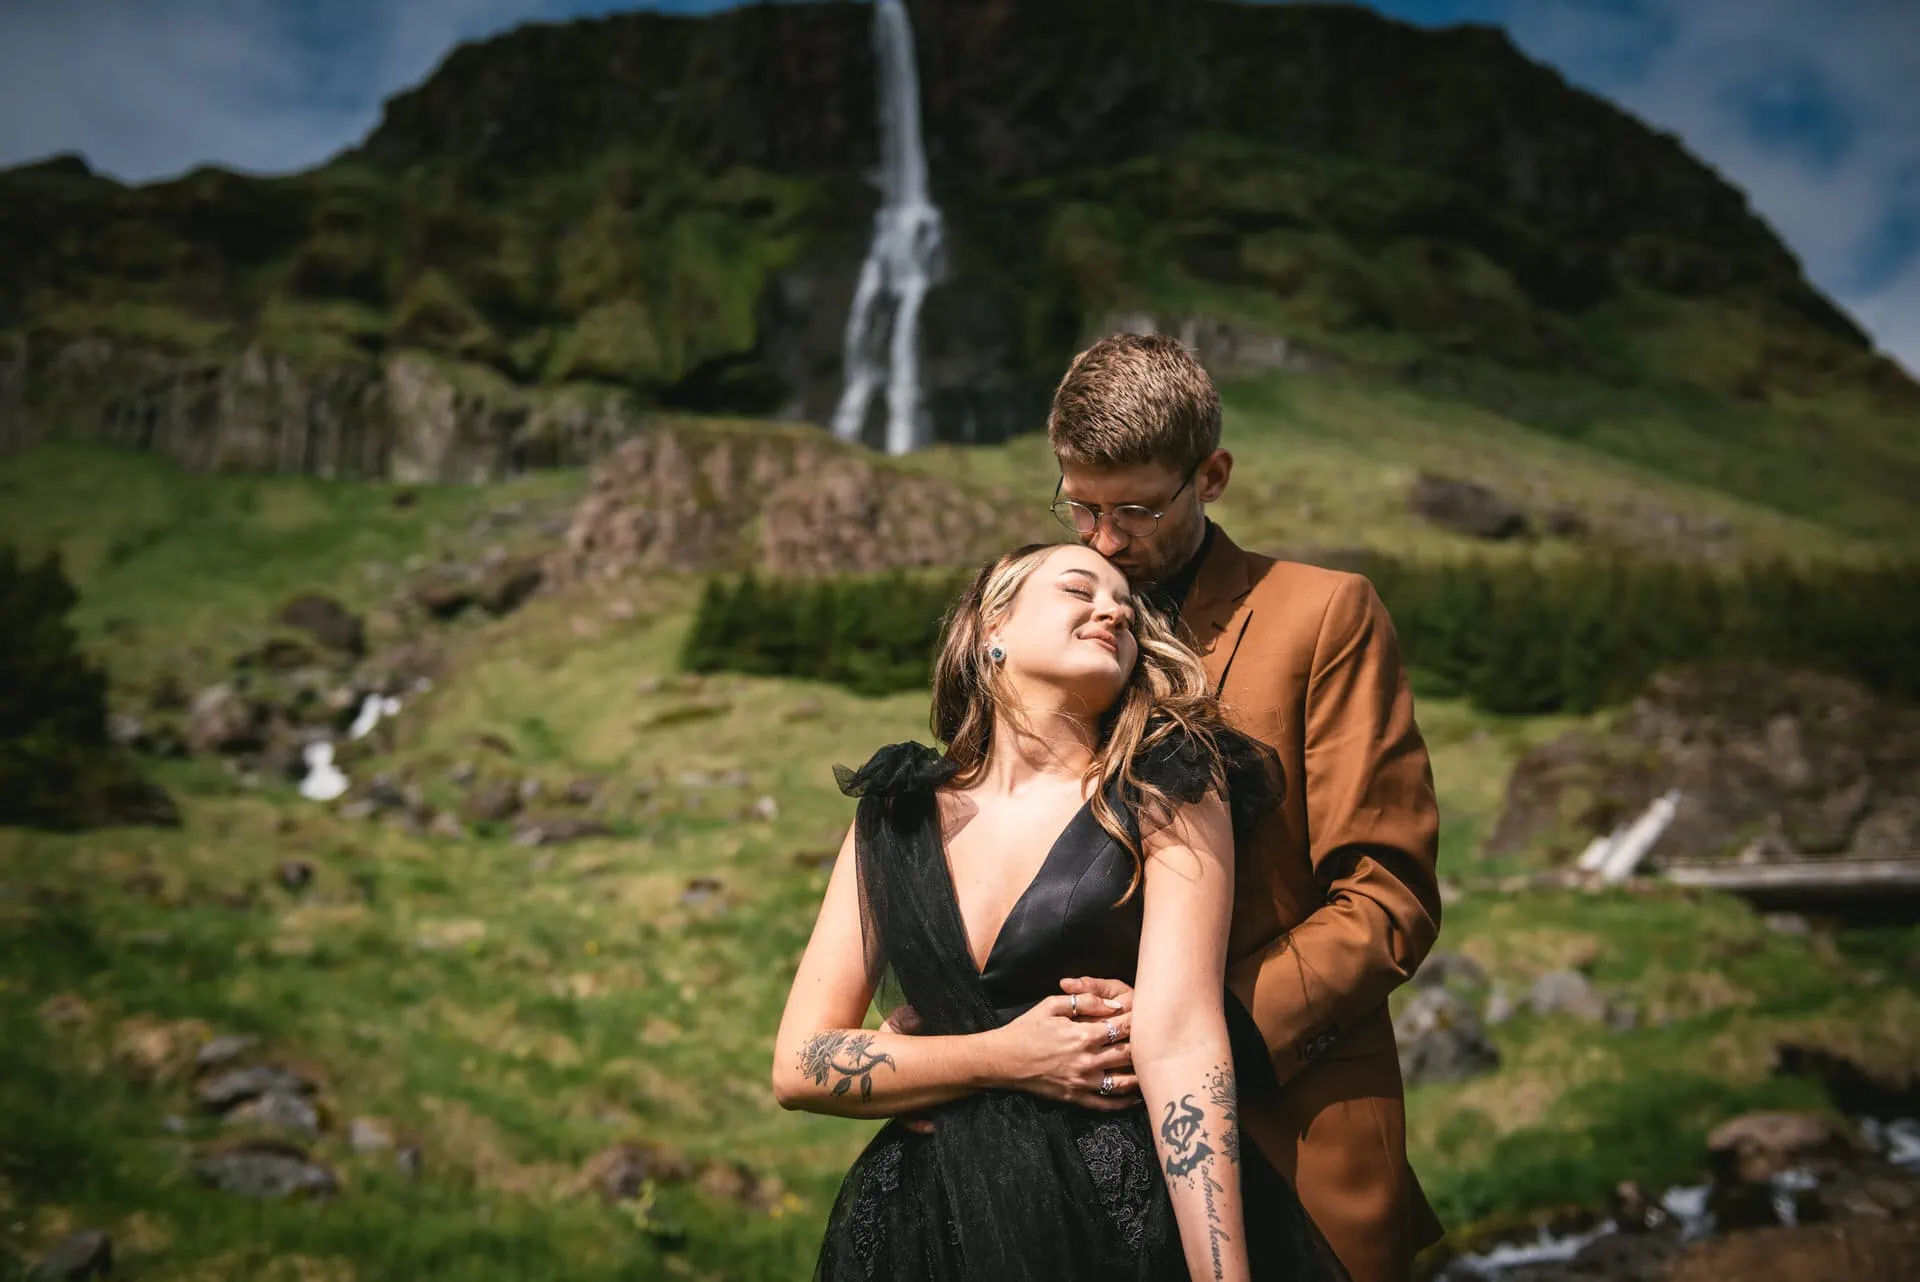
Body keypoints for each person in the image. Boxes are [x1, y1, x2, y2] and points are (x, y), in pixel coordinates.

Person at [772, 541, 1347, 1280]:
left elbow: (1181, 1040)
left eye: (1128, 611)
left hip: (1111, 1217)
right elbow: (798, 1064)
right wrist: (1002, 1057)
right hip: (923, 1227)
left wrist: (1221, 1276)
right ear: (991, 627)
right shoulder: (896, 813)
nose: (1113, 609)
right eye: (1081, 589)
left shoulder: (1163, 788)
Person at [1044, 332, 1447, 1280]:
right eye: (1080, 507)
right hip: (1061, 1145)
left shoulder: (1325, 614)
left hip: (1285, 1133)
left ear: (1212, 474)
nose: (1102, 540)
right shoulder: (1035, 625)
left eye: (1135, 508)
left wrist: (1187, 1035)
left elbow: (1387, 900)